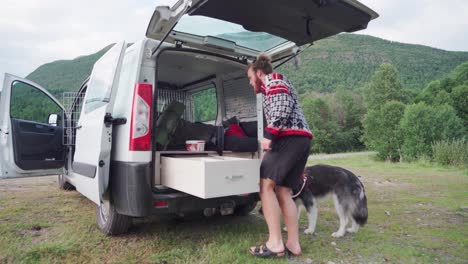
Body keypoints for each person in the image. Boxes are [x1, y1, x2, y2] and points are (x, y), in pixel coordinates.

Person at [247, 54, 313, 258]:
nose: (250, 83)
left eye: (250, 78)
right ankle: (293, 244)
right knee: (283, 190)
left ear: (259, 73)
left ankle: (275, 243)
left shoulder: (273, 80)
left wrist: (269, 136)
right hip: (301, 139)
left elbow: (280, 109)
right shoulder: (278, 82)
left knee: (265, 185)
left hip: (289, 139)